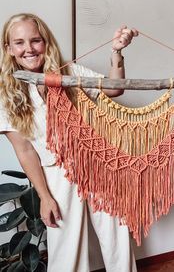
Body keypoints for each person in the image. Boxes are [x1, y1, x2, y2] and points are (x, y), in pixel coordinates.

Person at [0, 13, 138, 272]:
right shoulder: (5, 94)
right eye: (19, 43)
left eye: (35, 40)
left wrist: (117, 53)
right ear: (8, 49)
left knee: (117, 240)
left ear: (46, 42)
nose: (29, 48)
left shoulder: (70, 72)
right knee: (67, 249)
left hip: (97, 163)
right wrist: (44, 198)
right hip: (57, 174)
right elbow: (25, 150)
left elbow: (114, 88)